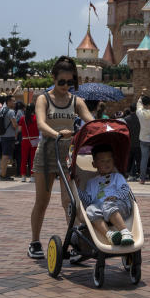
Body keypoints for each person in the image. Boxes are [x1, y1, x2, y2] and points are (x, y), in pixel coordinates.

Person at [28, 56, 94, 259]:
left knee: (70, 201)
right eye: (62, 81)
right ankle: (35, 242)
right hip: (47, 154)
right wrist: (56, 134)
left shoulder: (76, 101)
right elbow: (40, 123)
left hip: (68, 156)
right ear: (54, 78)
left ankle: (75, 243)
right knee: (42, 200)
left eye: (70, 82)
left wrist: (101, 128)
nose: (66, 86)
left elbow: (91, 121)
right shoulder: (43, 99)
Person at [78, 144, 135, 246]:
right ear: (94, 164)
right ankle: (109, 234)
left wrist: (116, 196)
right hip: (101, 213)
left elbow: (125, 188)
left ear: (113, 161)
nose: (106, 163)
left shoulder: (117, 176)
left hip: (119, 208)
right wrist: (77, 190)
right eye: (102, 161)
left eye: (109, 160)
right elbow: (88, 200)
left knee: (107, 204)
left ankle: (125, 232)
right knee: (90, 209)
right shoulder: (91, 182)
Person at [0, 94, 19, 182]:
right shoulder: (11, 111)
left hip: (2, 136)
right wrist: (17, 127)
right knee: (5, 157)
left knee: (4, 156)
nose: (14, 102)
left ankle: (3, 174)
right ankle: (3, 175)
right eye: (13, 101)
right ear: (9, 102)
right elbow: (14, 124)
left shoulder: (2, 109)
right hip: (9, 136)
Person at [17, 101, 38, 183]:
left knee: (24, 158)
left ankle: (23, 176)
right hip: (35, 140)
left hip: (25, 140)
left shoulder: (23, 118)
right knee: (33, 159)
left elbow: (19, 130)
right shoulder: (36, 118)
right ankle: (32, 176)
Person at [124, 105, 140, 180]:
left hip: (129, 142)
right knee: (138, 159)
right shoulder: (139, 119)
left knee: (129, 160)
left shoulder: (126, 119)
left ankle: (126, 173)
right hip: (138, 142)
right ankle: (140, 174)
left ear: (130, 110)